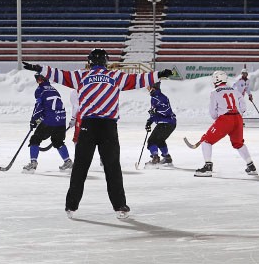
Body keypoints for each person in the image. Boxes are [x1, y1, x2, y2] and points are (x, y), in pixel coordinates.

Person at [23, 48, 173, 219]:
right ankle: (120, 207)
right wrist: (159, 73)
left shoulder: (81, 76)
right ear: (105, 62)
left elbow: (59, 75)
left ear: (90, 62)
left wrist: (38, 68)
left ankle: (71, 206)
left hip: (88, 126)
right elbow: (138, 79)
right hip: (108, 127)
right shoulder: (115, 76)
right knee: (112, 168)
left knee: (80, 167)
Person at [194, 70, 257, 177]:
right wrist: (238, 113)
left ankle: (208, 167)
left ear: (216, 80)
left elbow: (213, 113)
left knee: (206, 141)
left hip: (225, 120)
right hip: (237, 118)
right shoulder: (234, 90)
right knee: (238, 143)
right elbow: (243, 105)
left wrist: (220, 120)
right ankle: (251, 166)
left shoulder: (215, 92)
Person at [22, 73, 72, 174]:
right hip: (61, 120)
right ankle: (68, 162)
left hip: (50, 121)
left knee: (35, 139)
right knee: (58, 141)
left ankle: (33, 164)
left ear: (42, 80)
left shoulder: (40, 90)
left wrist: (33, 120)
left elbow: (39, 107)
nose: (38, 81)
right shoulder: (54, 89)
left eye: (38, 79)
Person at [144, 81, 177, 167]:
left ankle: (155, 158)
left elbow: (167, 110)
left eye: (148, 86)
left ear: (153, 87)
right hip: (168, 123)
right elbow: (155, 113)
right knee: (159, 140)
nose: (147, 88)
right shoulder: (155, 97)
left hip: (166, 123)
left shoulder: (160, 98)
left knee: (151, 141)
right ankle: (167, 158)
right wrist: (149, 121)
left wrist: (155, 111)